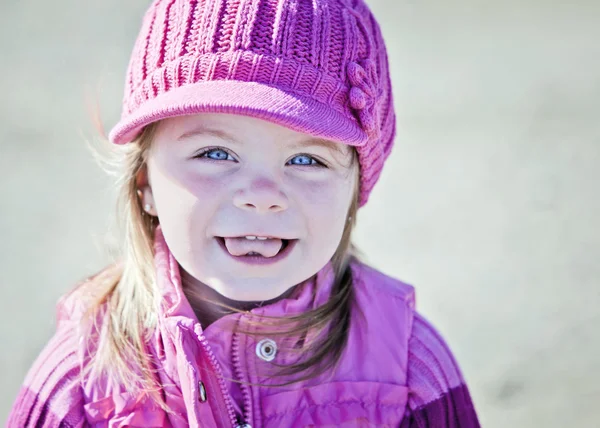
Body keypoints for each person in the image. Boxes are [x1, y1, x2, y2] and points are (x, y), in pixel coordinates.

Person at [7, 0, 480, 426]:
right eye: (215, 153)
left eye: (307, 160)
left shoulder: (409, 370)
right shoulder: (82, 382)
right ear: (144, 183)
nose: (262, 196)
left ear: (355, 187)